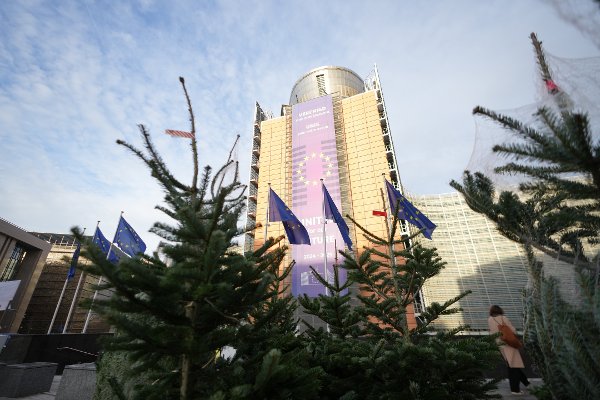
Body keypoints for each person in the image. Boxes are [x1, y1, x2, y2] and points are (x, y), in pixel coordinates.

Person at [488, 305, 530, 395]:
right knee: (513, 367)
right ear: (500, 310)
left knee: (512, 365)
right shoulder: (503, 318)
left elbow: (492, 333)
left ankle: (527, 383)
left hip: (500, 345)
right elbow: (513, 330)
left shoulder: (490, 319)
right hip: (509, 344)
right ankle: (515, 390)